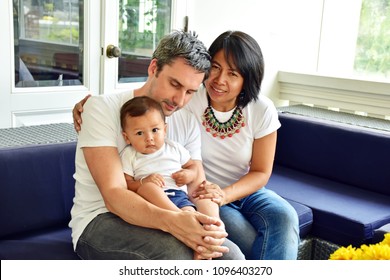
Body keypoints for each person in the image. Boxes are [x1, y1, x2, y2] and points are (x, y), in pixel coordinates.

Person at [73, 30, 300, 260]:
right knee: (179, 256)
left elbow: (198, 188)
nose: (179, 100)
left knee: (231, 257)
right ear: (154, 68)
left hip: (170, 209)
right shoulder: (101, 109)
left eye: (191, 91)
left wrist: (213, 226)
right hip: (100, 220)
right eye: (174, 84)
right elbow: (114, 195)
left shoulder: (186, 118)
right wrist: (174, 222)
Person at [185, 31, 300, 260]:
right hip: (203, 194)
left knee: (286, 216)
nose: (219, 80)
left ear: (247, 78)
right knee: (245, 237)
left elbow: (261, 172)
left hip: (245, 191)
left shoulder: (261, 109)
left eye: (232, 73)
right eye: (215, 67)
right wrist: (215, 197)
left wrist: (225, 194)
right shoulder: (189, 99)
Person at [120, 96, 223, 260]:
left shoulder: (174, 148)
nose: (149, 138)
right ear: (127, 137)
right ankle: (181, 218)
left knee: (196, 217)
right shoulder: (129, 154)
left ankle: (203, 246)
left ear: (165, 129)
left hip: (179, 197)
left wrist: (188, 174)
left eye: (155, 130)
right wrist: (142, 182)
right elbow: (126, 183)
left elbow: (193, 167)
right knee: (149, 188)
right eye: (139, 133)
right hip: (152, 201)